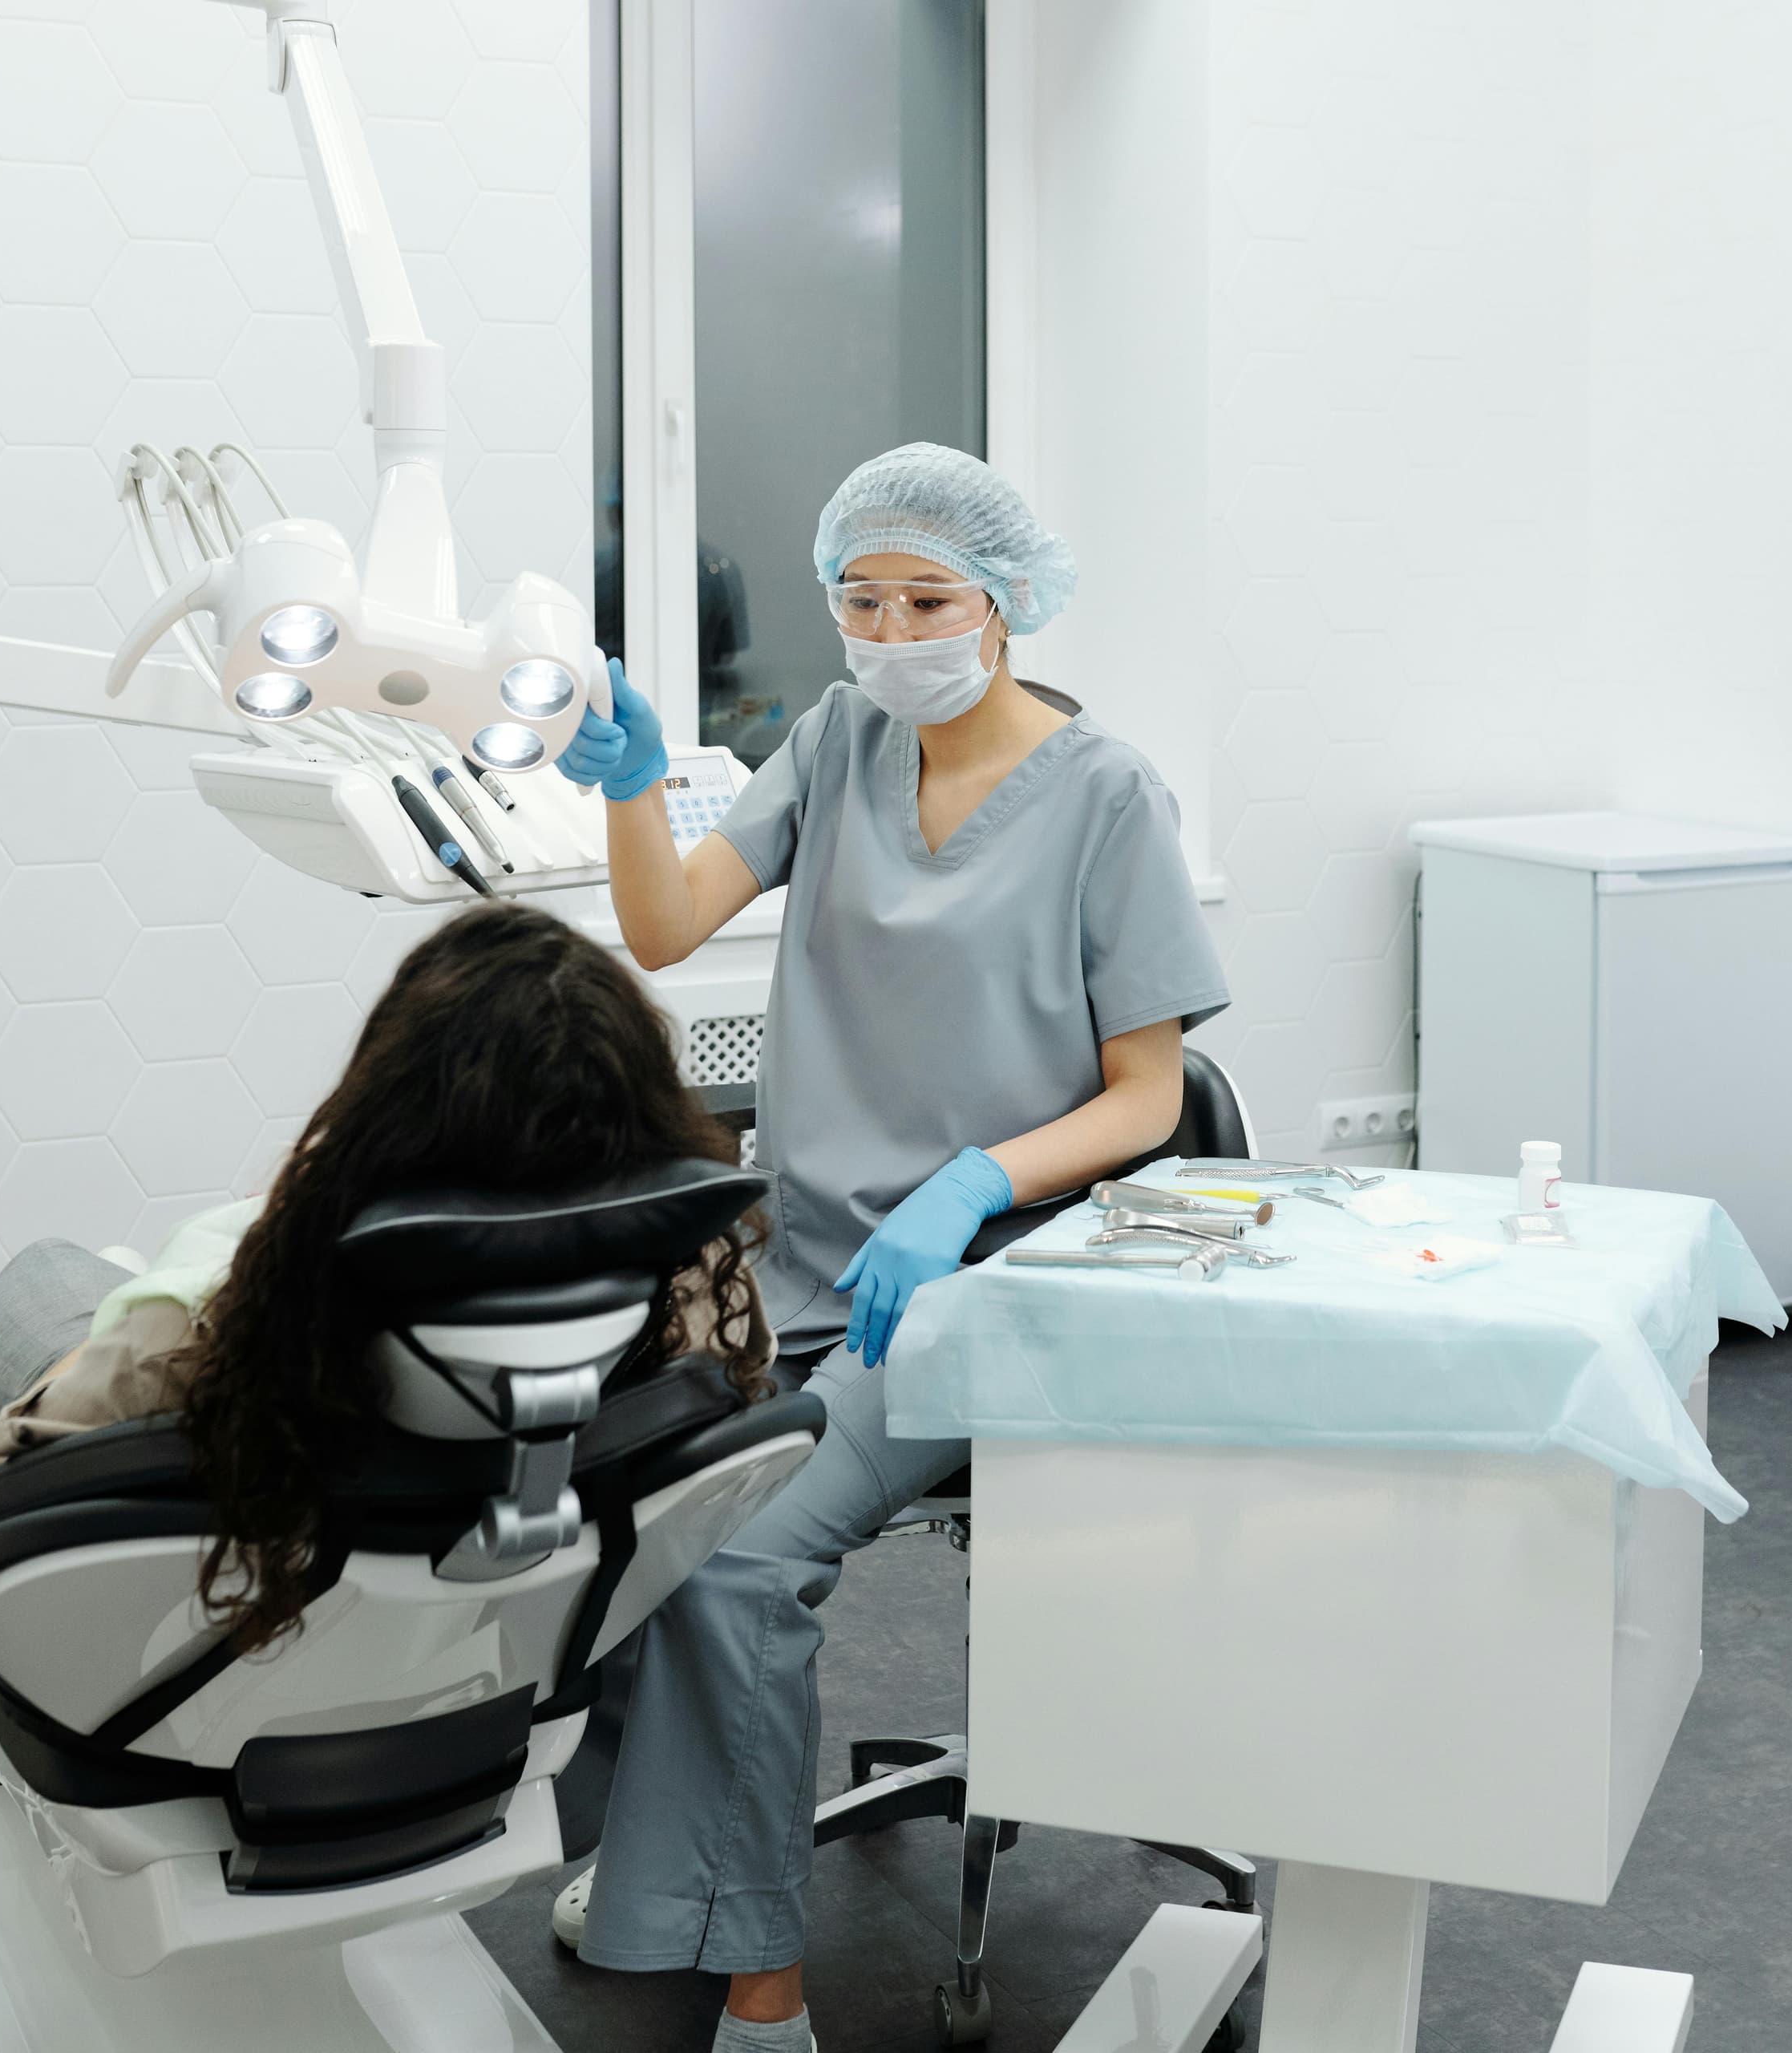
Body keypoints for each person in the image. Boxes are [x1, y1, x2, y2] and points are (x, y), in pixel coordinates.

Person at [550, 442, 1227, 2051]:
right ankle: (665, 1859)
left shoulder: (1110, 793)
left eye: (927, 597)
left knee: (745, 1548)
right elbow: (660, 928)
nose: (892, 627)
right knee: (602, 1485)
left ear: (1003, 604)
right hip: (798, 1257)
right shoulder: (840, 741)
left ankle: (761, 1978)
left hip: (987, 1282)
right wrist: (634, 777)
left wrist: (970, 1187)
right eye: (862, 599)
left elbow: (1147, 1097)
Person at [0, 899, 773, 1650]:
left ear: (385, 1114)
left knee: (35, 1278)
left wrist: (111, 1351)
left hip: (219, 1692)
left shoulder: (213, 1331)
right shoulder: (695, 1294)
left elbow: (8, 1494)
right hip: (505, 1672)